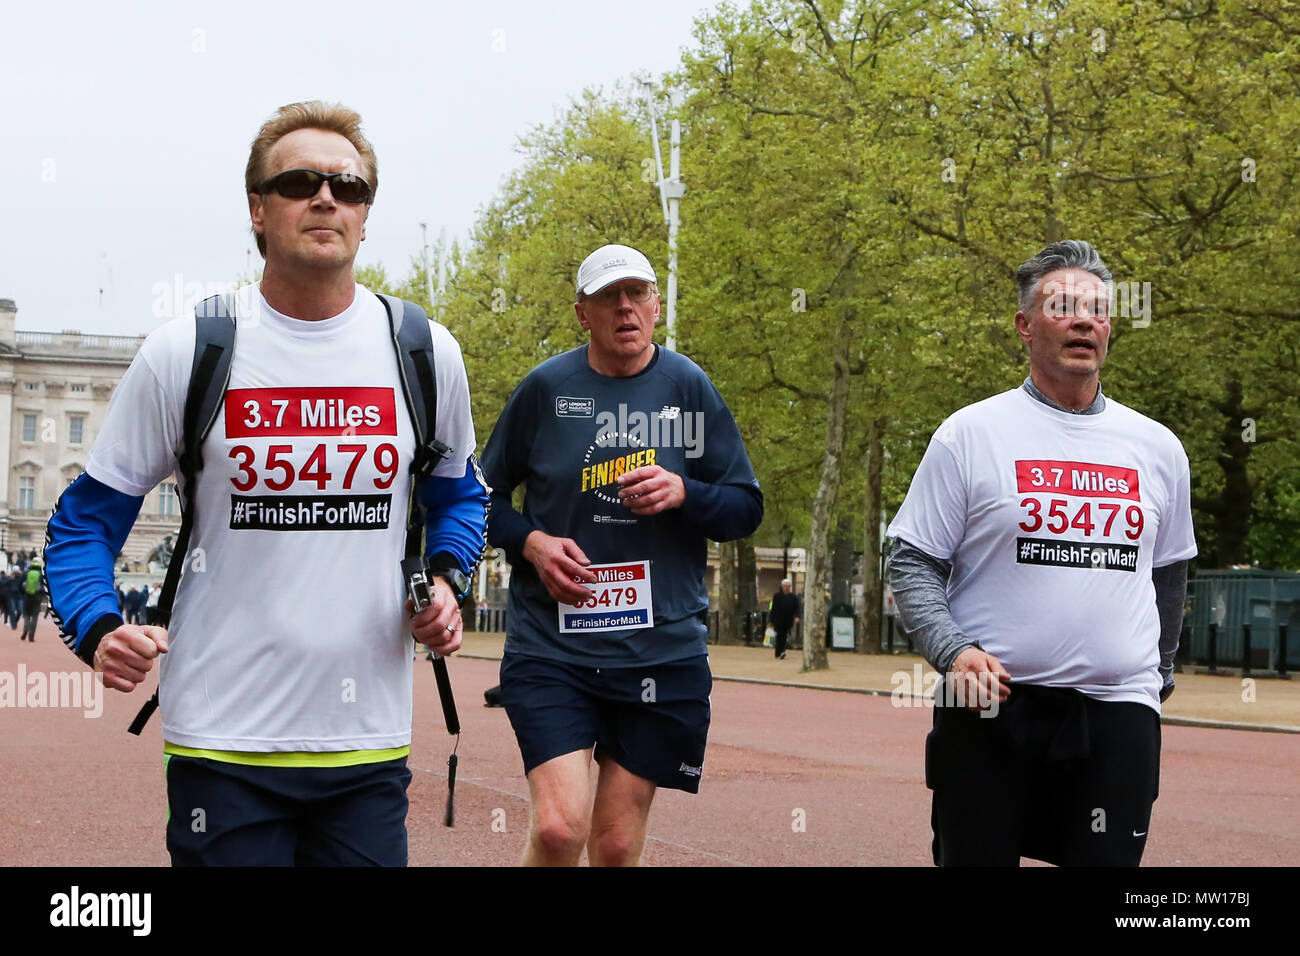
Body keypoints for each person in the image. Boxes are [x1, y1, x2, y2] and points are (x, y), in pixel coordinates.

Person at [44, 100, 488, 866]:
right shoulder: (187, 350)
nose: (326, 198)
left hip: (367, 744)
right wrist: (97, 625)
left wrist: (447, 580)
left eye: (348, 188)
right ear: (257, 208)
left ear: (364, 214)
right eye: (300, 183)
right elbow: (82, 522)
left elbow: (461, 497)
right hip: (222, 739)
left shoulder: (423, 350)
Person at [886, 240, 1196, 867]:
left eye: (1098, 310)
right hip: (990, 713)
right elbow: (912, 560)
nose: (1085, 320)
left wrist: (1153, 678)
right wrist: (955, 652)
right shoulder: (970, 434)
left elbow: (1169, 575)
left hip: (1117, 717)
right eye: (1063, 306)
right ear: (1025, 326)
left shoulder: (1157, 447)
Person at [481, 242, 763, 866]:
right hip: (554, 646)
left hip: (658, 651)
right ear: (582, 312)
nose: (626, 307)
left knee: (611, 843)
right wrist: (531, 541)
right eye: (609, 297)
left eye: (638, 293)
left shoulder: (688, 388)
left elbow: (745, 508)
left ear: (657, 305)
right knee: (558, 830)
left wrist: (685, 491)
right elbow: (479, 497)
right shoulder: (547, 391)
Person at [767, 577, 802, 660]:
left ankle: (781, 651)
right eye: (785, 586)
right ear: (782, 586)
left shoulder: (793, 597)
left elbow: (797, 608)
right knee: (780, 635)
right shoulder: (777, 596)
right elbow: (773, 608)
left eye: (788, 586)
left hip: (788, 619)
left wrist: (797, 616)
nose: (786, 588)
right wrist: (771, 620)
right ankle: (779, 652)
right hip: (778, 619)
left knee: (784, 635)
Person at [20, 557, 43, 641]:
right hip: (37, 597)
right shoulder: (41, 574)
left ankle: (25, 631)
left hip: (27, 596)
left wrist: (24, 594)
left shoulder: (26, 573)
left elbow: (20, 586)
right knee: (34, 617)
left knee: (26, 615)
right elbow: (44, 587)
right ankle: (31, 636)